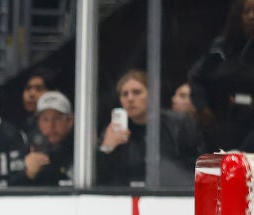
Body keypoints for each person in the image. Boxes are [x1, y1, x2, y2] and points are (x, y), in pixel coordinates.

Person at [96, 69, 200, 188]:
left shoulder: (179, 124)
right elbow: (98, 177)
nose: (130, 99)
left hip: (171, 195)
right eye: (124, 94)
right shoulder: (113, 130)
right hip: (127, 196)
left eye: (137, 92)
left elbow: (195, 167)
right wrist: (106, 148)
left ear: (152, 95)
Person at [187, 0, 254, 152]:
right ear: (238, 16)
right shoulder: (221, 48)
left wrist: (244, 100)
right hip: (219, 125)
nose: (251, 16)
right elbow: (197, 78)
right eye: (247, 12)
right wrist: (202, 107)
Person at [23, 90, 73, 187]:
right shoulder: (29, 148)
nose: (51, 125)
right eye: (45, 119)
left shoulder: (81, 148)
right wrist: (29, 174)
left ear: (70, 121)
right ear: (38, 122)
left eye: (57, 118)